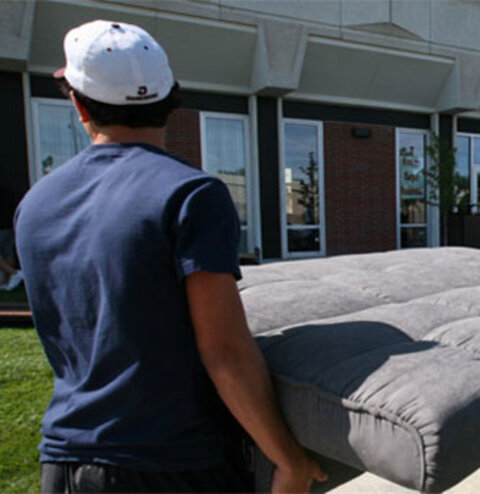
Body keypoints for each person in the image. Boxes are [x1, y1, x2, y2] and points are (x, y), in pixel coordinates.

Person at [14, 20, 325, 493]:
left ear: (78, 104)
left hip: (64, 461)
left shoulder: (34, 204)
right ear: (171, 97)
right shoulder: (191, 195)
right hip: (171, 465)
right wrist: (288, 460)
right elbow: (224, 350)